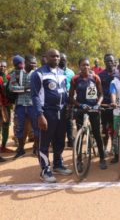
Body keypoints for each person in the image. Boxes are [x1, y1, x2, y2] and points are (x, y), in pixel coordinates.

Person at [31, 49, 72, 183]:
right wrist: (40, 115)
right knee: (44, 143)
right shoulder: (39, 74)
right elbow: (35, 96)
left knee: (60, 140)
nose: (55, 58)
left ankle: (58, 164)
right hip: (47, 113)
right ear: (46, 57)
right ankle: (45, 170)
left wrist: (67, 107)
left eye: (57, 56)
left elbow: (64, 92)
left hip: (61, 112)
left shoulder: (62, 73)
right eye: (52, 56)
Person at [69, 58, 107, 169]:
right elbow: (71, 97)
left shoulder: (95, 77)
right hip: (81, 109)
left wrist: (98, 104)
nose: (85, 67)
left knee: (97, 134)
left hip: (94, 109)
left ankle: (102, 158)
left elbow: (101, 94)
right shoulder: (75, 79)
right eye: (83, 65)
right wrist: (80, 105)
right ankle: (79, 160)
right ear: (79, 66)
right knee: (79, 137)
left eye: (87, 65)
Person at [9, 55, 40, 159]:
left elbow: (38, 89)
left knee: (37, 127)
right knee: (19, 128)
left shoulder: (37, 73)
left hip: (33, 104)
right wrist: (26, 88)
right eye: (32, 63)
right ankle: (21, 150)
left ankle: (36, 148)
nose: (34, 65)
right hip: (20, 105)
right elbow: (12, 88)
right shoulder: (16, 73)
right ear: (25, 62)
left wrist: (22, 89)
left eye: (35, 63)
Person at [99, 54, 118, 154]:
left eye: (111, 61)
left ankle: (114, 147)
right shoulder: (101, 75)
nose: (109, 63)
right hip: (105, 105)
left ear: (114, 61)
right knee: (105, 129)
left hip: (116, 106)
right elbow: (99, 91)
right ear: (104, 62)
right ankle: (105, 147)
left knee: (114, 128)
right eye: (107, 61)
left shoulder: (119, 74)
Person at [59, 53, 75, 147]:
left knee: (69, 121)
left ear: (66, 61)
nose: (62, 61)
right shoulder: (54, 71)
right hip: (57, 100)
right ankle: (59, 141)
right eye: (61, 60)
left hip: (68, 100)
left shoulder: (71, 73)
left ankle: (70, 140)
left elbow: (74, 85)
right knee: (59, 121)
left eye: (64, 60)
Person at [0, 60, 12, 153]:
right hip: (1, 105)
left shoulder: (8, 77)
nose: (2, 68)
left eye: (4, 66)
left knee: (6, 126)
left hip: (6, 105)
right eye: (1, 66)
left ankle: (3, 146)